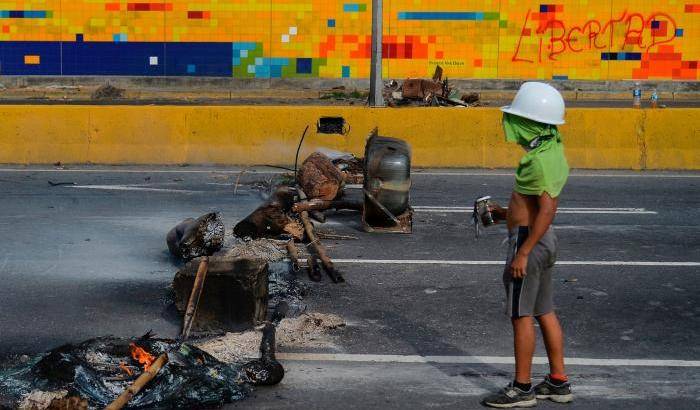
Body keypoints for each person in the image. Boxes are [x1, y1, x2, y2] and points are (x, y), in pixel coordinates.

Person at [482, 82, 572, 408]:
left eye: (518, 119)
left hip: (529, 243)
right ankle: (558, 381)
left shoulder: (538, 161)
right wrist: (504, 214)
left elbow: (547, 209)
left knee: (521, 316)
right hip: (542, 239)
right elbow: (535, 206)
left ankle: (522, 388)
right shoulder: (552, 151)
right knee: (544, 310)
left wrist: (522, 251)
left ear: (531, 122)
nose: (512, 125)